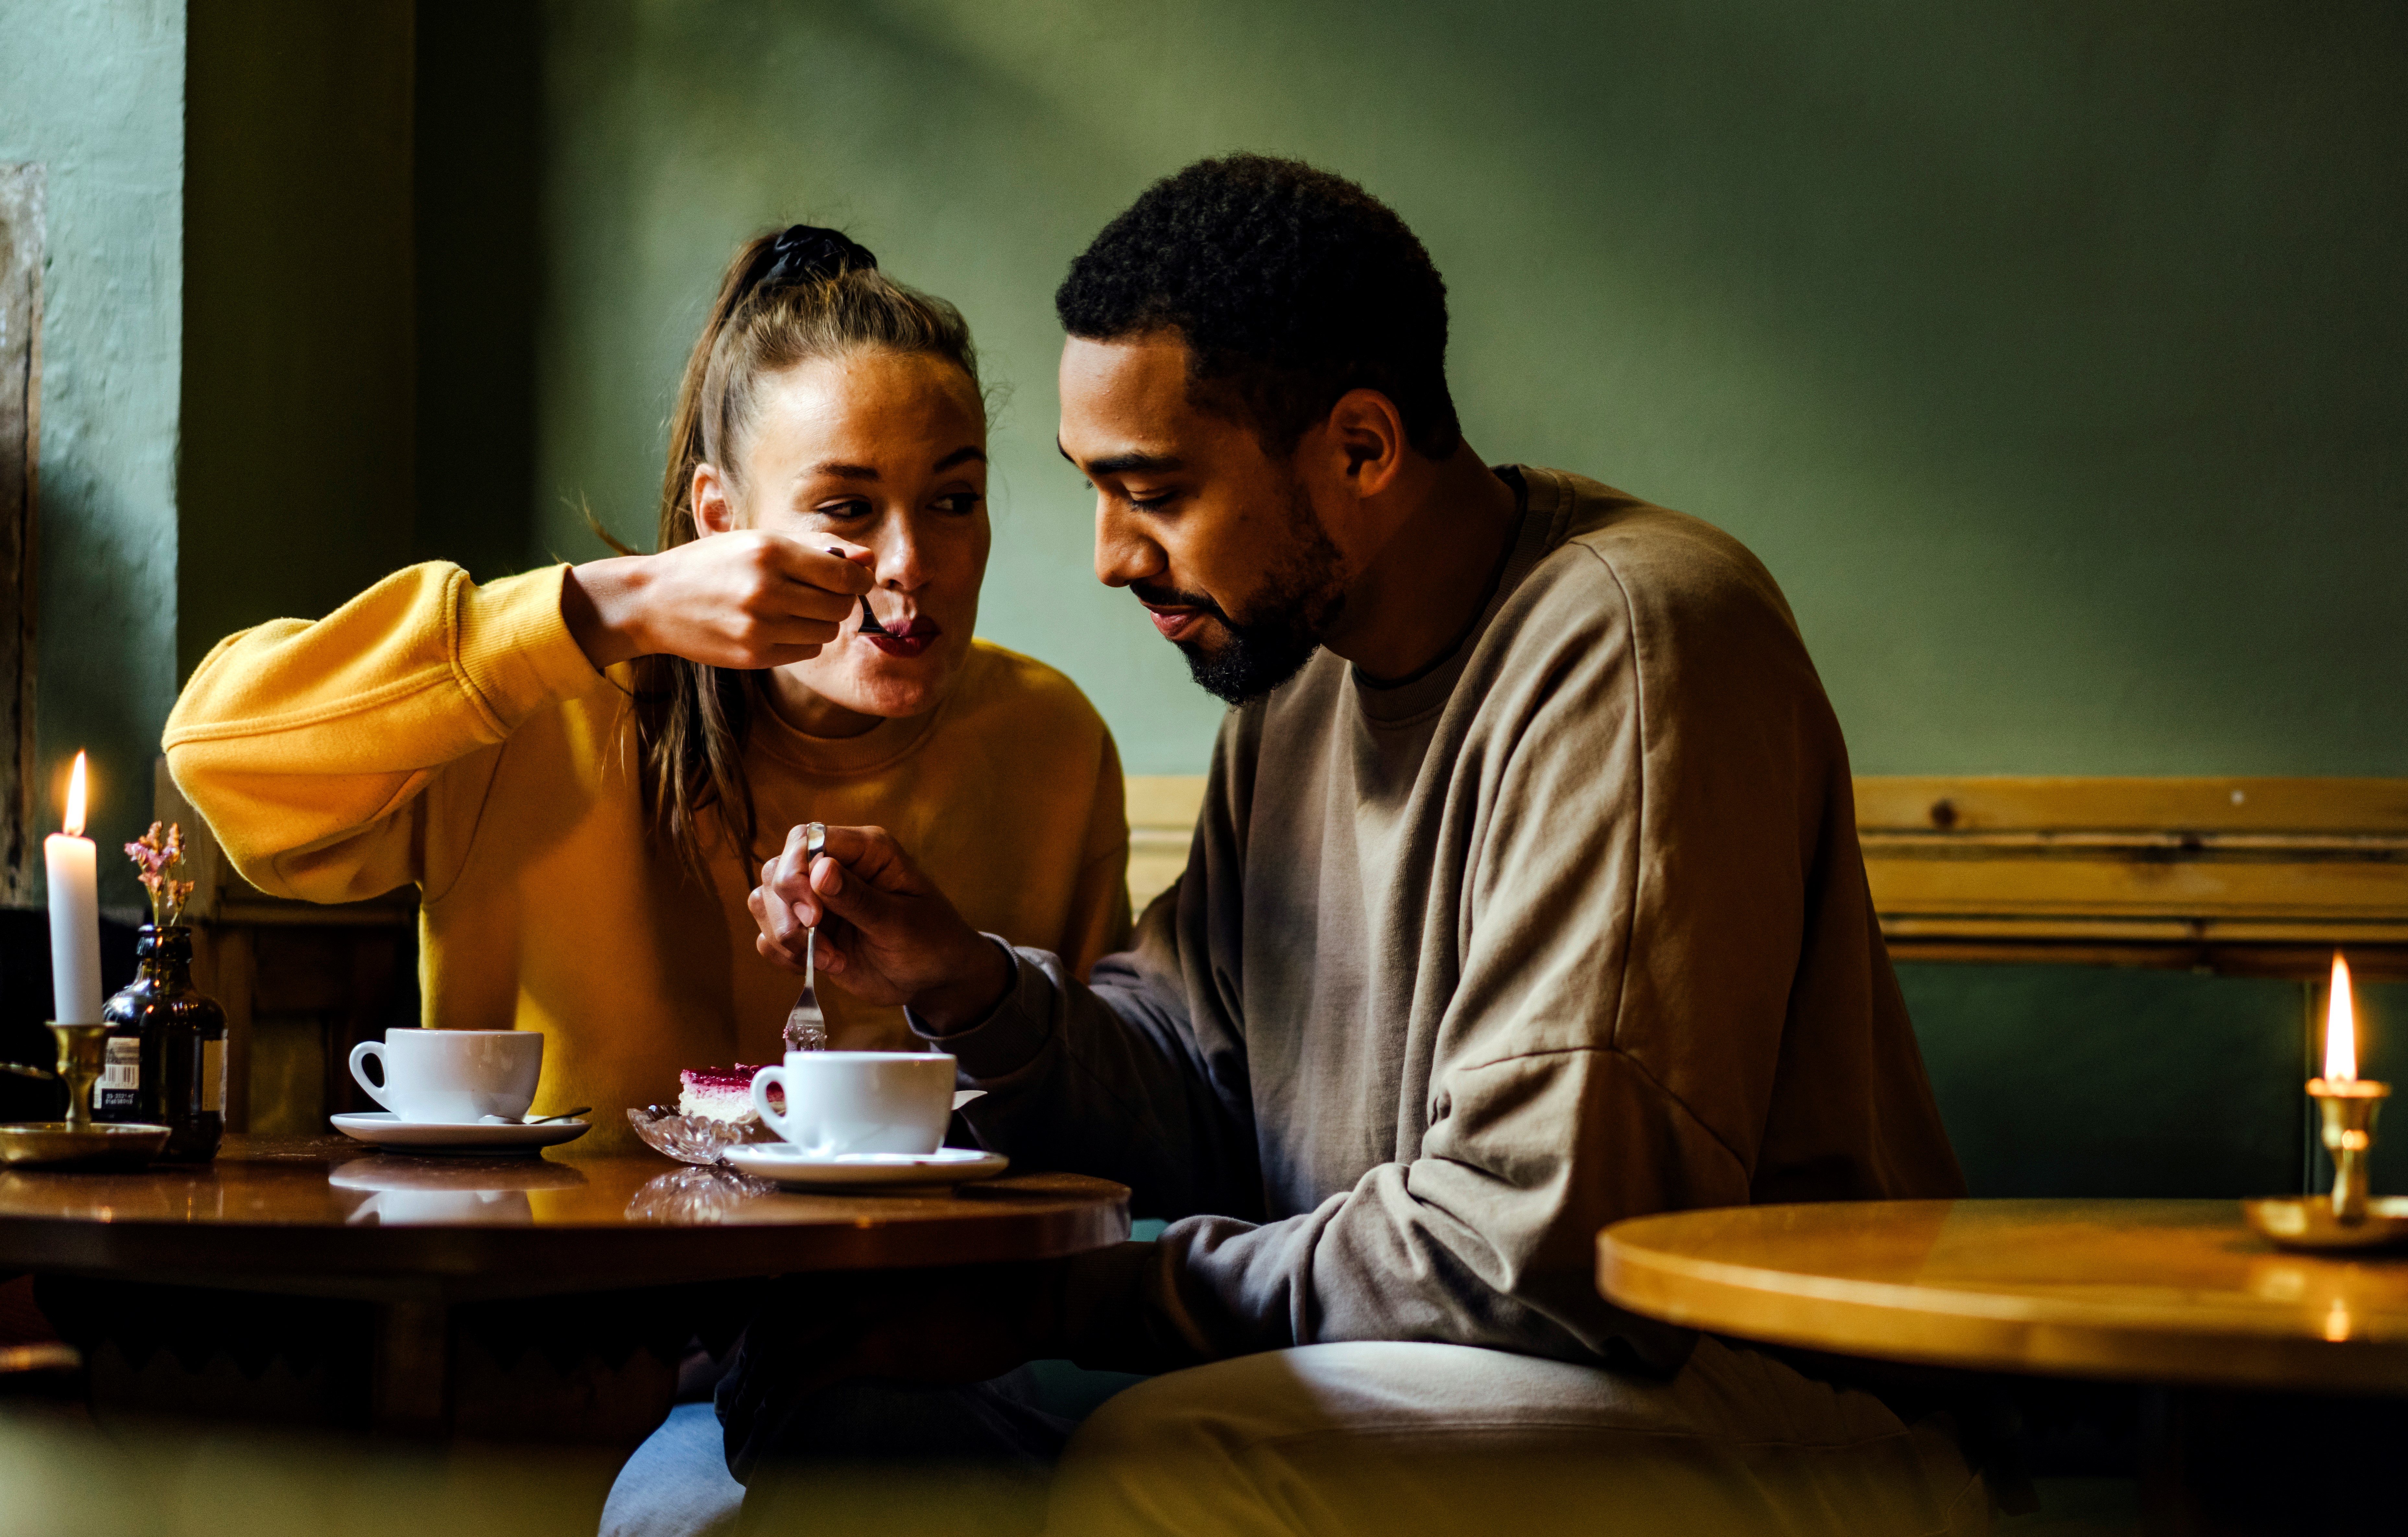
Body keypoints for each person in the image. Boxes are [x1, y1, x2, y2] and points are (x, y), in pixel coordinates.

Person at [673, 158, 1982, 1536]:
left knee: (1176, 1460)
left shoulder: (1637, 642)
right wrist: (968, 989)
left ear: (1358, 450)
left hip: (1760, 1409)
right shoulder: (1291, 670)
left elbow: (1532, 1255)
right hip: (1430, 1377)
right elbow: (1194, 1077)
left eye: (1154, 490)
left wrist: (1066, 1299)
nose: (1111, 556)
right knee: (862, 1419)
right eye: (1089, 489)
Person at [163, 226, 1130, 1144]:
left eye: (954, 501)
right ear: (720, 516)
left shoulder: (1051, 742)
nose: (910, 561)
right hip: (568, 1299)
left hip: (912, 1306)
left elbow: (1101, 1122)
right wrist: (609, 608)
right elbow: (218, 752)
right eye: (848, 507)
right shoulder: (547, 707)